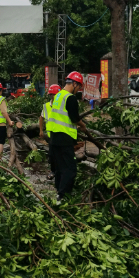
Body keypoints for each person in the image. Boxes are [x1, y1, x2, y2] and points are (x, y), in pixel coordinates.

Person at [48, 72, 88, 203]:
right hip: (64, 138)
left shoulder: (58, 95)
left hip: (54, 137)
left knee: (60, 168)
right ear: (75, 84)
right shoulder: (70, 98)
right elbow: (74, 118)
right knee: (70, 169)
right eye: (79, 87)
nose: (78, 91)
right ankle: (63, 196)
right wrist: (83, 126)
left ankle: (58, 193)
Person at [39, 84, 61, 180]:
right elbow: (41, 118)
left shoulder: (62, 105)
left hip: (60, 133)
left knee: (58, 154)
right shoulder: (46, 106)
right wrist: (41, 130)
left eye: (54, 94)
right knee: (52, 154)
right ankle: (53, 171)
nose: (53, 96)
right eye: (51, 95)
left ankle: (58, 171)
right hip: (51, 134)